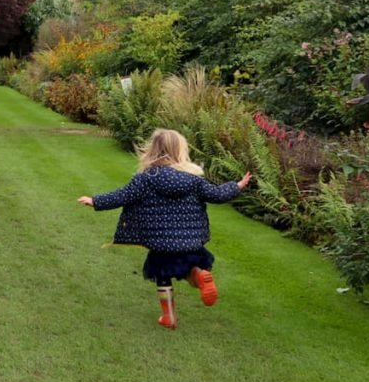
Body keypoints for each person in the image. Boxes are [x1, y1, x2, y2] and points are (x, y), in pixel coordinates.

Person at [77, 128, 251, 329]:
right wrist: (236, 186)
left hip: (161, 242)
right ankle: (199, 275)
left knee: (162, 274)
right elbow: (217, 195)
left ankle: (169, 316)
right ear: (180, 151)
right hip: (190, 240)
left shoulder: (145, 179)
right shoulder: (194, 180)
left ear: (153, 150)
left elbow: (122, 196)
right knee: (187, 266)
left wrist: (96, 201)